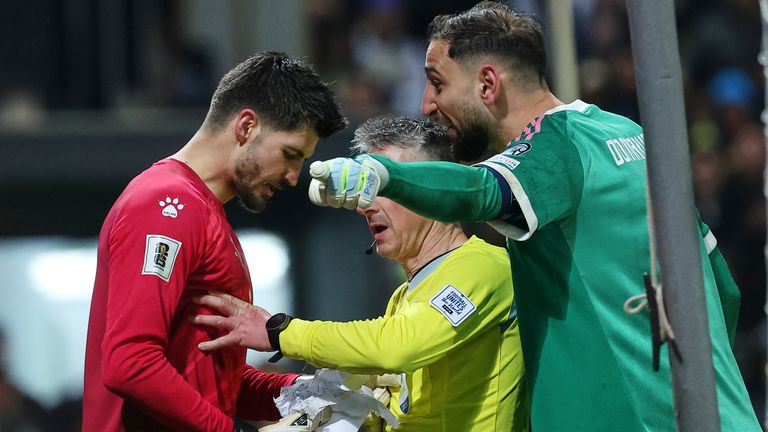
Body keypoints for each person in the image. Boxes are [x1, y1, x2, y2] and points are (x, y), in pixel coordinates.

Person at [304, 2, 760, 431]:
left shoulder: (556, 146)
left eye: (438, 83)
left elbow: (483, 190)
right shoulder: (626, 134)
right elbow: (723, 287)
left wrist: (385, 176)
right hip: (721, 413)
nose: (426, 103)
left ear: (487, 84)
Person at [191, 117, 529, 432]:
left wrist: (280, 332)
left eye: (388, 186)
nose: (366, 204)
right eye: (367, 188)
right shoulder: (405, 295)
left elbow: (399, 346)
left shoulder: (485, 266)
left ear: (430, 189)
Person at [82, 51, 347, 432]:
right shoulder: (166, 205)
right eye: (290, 155)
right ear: (246, 126)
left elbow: (212, 382)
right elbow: (131, 363)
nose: (293, 177)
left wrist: (311, 393)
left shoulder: (203, 212)